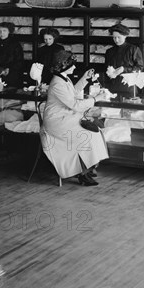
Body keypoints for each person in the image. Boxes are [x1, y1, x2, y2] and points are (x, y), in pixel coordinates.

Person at [41, 50, 108, 186]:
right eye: (72, 65)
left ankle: (88, 167)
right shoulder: (57, 83)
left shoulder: (63, 78)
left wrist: (84, 78)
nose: (74, 67)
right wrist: (96, 98)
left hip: (65, 117)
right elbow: (75, 104)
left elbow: (73, 93)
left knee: (95, 132)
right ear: (64, 65)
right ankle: (82, 173)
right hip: (57, 122)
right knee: (86, 136)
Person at [103, 23, 144, 95]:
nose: (116, 40)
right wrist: (109, 72)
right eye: (114, 37)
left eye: (119, 37)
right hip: (112, 86)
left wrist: (124, 69)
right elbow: (106, 68)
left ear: (125, 36)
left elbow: (140, 67)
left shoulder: (133, 49)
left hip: (129, 87)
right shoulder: (109, 51)